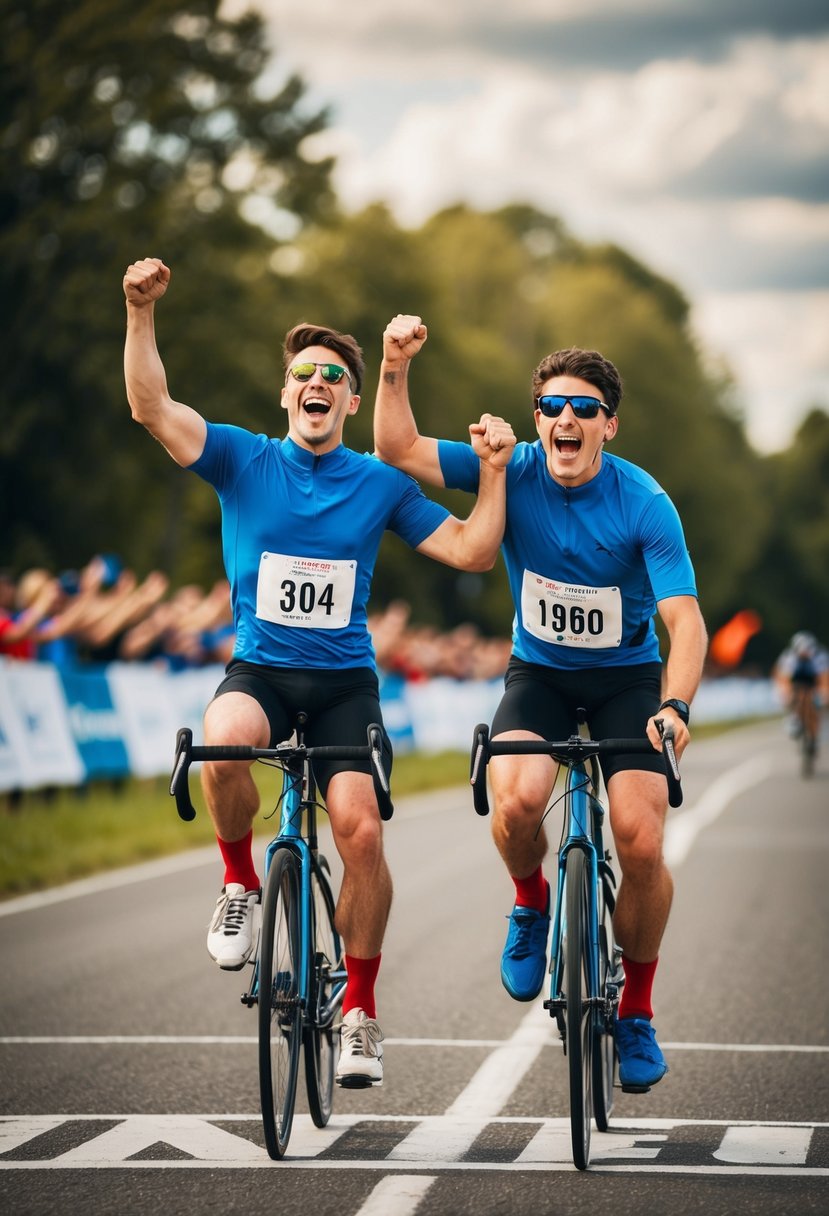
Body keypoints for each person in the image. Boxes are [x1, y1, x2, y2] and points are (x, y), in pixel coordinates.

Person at [122, 259, 515, 1088]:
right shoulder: (241, 458)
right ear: (284, 395)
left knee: (360, 830)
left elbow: (473, 552)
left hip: (343, 687)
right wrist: (138, 312)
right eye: (303, 374)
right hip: (260, 671)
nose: (317, 384)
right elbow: (151, 406)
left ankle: (362, 1013)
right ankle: (237, 883)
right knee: (223, 744)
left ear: (349, 403)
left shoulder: (377, 482)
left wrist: (490, 476)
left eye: (334, 378)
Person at [374, 315, 708, 1093]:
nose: (567, 420)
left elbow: (683, 619)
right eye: (553, 406)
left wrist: (676, 706)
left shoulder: (644, 502)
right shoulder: (511, 467)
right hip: (541, 676)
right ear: (536, 420)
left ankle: (637, 1011)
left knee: (640, 840)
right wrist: (393, 365)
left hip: (626, 678)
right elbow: (396, 448)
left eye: (584, 409)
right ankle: (530, 900)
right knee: (518, 800)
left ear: (607, 425)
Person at [773, 631, 828, 749]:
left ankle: (817, 726)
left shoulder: (820, 657)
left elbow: (823, 677)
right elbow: (783, 678)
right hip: (796, 682)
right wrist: (785, 693)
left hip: (813, 682)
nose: (805, 653)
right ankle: (794, 717)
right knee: (790, 698)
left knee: (819, 702)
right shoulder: (788, 657)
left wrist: (823, 692)